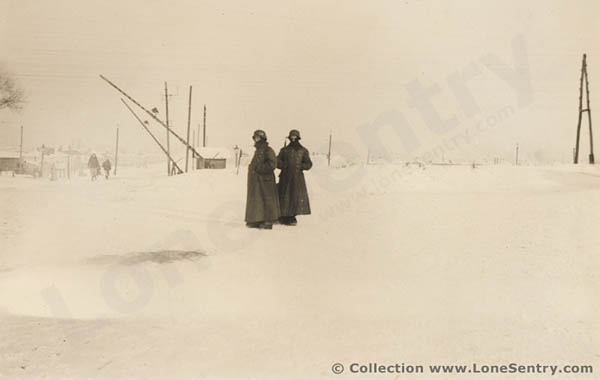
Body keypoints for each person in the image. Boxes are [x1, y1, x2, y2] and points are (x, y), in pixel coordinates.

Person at [245, 130, 280, 229]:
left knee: (267, 200)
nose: (256, 139)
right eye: (255, 138)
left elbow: (273, 164)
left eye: (258, 138)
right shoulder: (258, 150)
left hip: (265, 181)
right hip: (257, 181)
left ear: (263, 138)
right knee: (257, 200)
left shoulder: (268, 150)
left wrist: (259, 168)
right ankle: (256, 220)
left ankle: (268, 221)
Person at [277, 129, 312, 225]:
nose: (293, 138)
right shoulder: (284, 150)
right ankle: (283, 216)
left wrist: (300, 166)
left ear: (298, 138)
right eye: (291, 137)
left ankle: (292, 217)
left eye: (295, 137)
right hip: (285, 177)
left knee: (294, 197)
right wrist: (283, 164)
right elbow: (277, 161)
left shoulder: (303, 151)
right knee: (284, 196)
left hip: (297, 178)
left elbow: (309, 164)